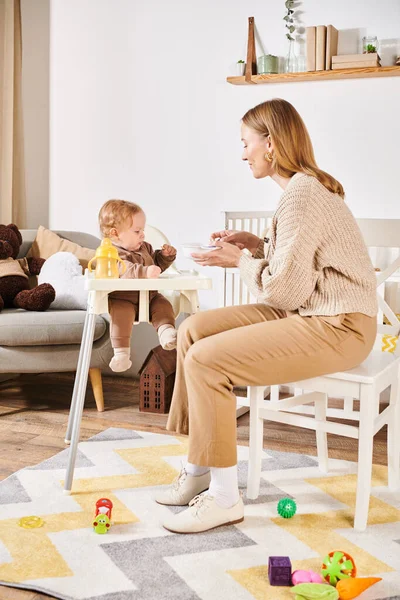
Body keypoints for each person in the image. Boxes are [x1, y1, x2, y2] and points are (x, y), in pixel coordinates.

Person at [155, 98, 378, 534]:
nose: (242, 154)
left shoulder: (303, 195)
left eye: (246, 143)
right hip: (312, 314)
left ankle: (223, 498)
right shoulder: (302, 189)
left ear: (270, 143)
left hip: (339, 326)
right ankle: (199, 467)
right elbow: (298, 266)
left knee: (206, 359)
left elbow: (286, 289)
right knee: (192, 330)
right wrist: (256, 246)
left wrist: (240, 260)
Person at [98, 199, 177, 372]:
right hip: (123, 298)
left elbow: (155, 265)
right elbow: (123, 268)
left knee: (163, 305)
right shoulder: (111, 253)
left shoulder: (145, 248)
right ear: (115, 233)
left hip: (150, 296)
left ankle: (166, 332)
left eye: (142, 230)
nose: (142, 235)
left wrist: (164, 257)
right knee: (121, 315)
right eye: (137, 231)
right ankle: (121, 353)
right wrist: (144, 272)